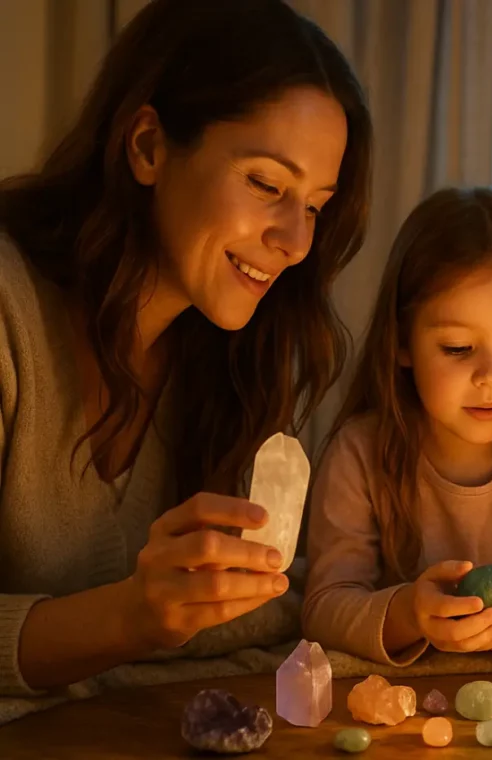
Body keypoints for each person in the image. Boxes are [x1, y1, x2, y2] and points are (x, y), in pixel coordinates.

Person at [0, 0, 371, 696]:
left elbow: (260, 617)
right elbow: (149, 628)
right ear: (147, 146)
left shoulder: (230, 360)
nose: (295, 242)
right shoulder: (7, 318)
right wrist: (131, 617)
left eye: (316, 205)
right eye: (266, 184)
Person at [303, 187, 492, 665]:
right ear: (402, 342)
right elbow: (325, 604)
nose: (491, 376)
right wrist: (410, 614)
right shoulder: (359, 453)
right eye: (458, 348)